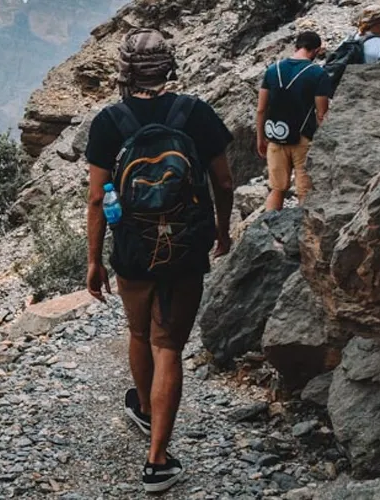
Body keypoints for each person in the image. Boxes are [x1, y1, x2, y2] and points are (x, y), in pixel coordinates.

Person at [84, 28, 235, 494]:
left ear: (124, 73)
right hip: (186, 247)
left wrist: (94, 260)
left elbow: (95, 199)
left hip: (132, 248)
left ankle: (147, 411)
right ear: (170, 67)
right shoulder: (197, 113)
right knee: (168, 344)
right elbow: (224, 183)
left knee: (137, 332)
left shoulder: (110, 121)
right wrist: (223, 231)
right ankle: (158, 461)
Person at [257, 31, 333, 211]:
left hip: (275, 136)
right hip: (303, 139)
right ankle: (304, 235)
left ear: (296, 46)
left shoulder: (272, 70)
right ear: (316, 51)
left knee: (277, 189)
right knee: (304, 192)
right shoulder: (318, 73)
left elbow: (261, 109)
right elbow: (321, 114)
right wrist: (325, 145)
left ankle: (268, 233)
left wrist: (260, 138)